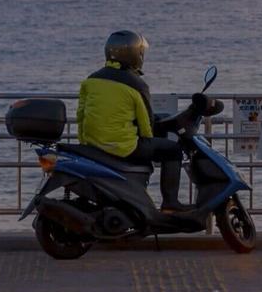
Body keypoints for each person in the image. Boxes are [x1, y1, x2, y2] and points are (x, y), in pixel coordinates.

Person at [76, 30, 191, 212]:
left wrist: (84, 142)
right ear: (135, 55)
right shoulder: (136, 84)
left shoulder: (91, 80)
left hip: (94, 145)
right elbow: (146, 124)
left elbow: (81, 115)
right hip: (123, 147)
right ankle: (170, 203)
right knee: (173, 151)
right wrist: (148, 141)